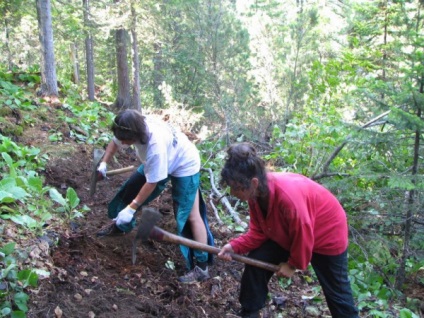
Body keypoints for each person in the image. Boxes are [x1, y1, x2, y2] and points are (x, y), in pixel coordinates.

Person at [217, 142, 359, 318]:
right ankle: (250, 312)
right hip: (291, 233)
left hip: (327, 233)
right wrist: (235, 246)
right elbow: (259, 232)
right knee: (256, 260)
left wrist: (292, 264)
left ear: (253, 183)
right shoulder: (255, 195)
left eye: (236, 188)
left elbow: (304, 233)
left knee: (337, 294)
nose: (232, 192)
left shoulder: (288, 197)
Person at [96, 109, 214, 283]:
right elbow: (115, 142)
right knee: (130, 189)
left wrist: (132, 208)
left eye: (125, 140)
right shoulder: (130, 125)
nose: (121, 142)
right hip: (164, 159)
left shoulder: (155, 148)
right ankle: (121, 227)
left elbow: (153, 183)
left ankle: (202, 267)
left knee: (189, 216)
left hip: (184, 164)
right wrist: (104, 163)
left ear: (136, 136)